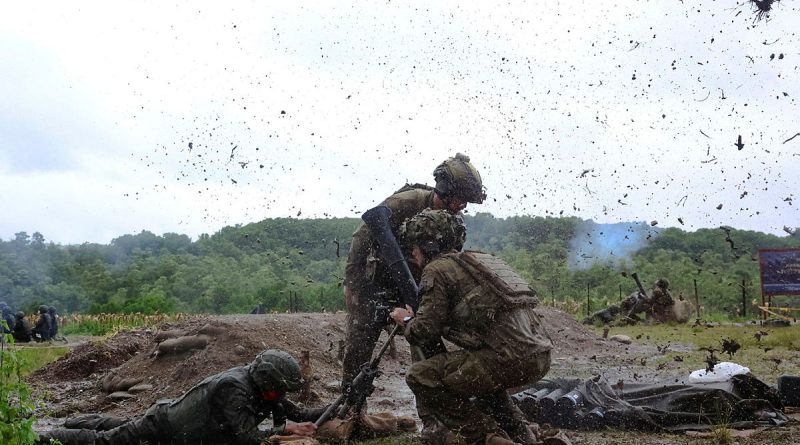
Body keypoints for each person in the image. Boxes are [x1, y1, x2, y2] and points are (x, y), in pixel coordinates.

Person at [342, 154, 484, 432]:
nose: (462, 206)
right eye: (460, 199)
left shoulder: (451, 221)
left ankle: (434, 420)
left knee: (426, 347)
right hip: (375, 283)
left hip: (416, 286)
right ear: (444, 189)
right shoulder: (409, 202)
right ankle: (352, 414)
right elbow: (365, 233)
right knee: (359, 348)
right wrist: (352, 283)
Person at [390, 210, 553, 445]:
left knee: (419, 376)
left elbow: (423, 332)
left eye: (415, 246)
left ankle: (486, 437)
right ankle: (522, 435)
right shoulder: (478, 262)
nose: (412, 253)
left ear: (427, 245)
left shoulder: (436, 269)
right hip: (538, 357)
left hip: (509, 359)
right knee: (482, 378)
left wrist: (406, 319)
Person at [38, 349, 323, 445]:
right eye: (279, 389)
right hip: (164, 427)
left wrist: (343, 404)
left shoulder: (261, 388)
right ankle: (42, 436)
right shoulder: (234, 388)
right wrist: (284, 428)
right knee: (107, 441)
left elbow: (298, 414)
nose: (280, 396)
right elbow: (246, 436)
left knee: (113, 425)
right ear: (266, 381)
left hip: (168, 421)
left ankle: (72, 422)